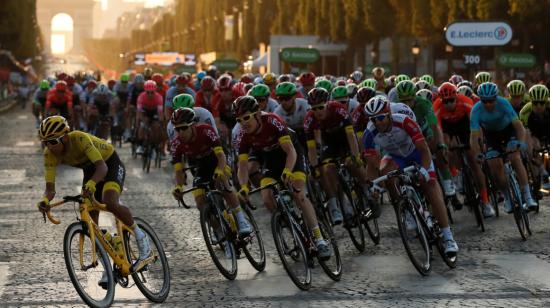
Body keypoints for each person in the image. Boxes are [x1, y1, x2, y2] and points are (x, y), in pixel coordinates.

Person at [36, 116, 152, 287]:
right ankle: (109, 266)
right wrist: (45, 199)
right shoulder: (49, 154)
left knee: (110, 201)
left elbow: (102, 168)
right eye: (45, 142)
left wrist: (91, 184)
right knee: (92, 227)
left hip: (108, 163)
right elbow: (50, 189)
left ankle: (142, 239)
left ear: (65, 136)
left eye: (52, 141)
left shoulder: (79, 138)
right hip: (90, 170)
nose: (49, 146)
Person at [233, 96, 331, 260]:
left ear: (257, 114)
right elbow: (242, 165)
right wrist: (243, 186)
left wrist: (287, 170)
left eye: (246, 117)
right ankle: (290, 224)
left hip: (291, 155)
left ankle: (320, 239)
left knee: (298, 193)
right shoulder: (242, 135)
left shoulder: (272, 121)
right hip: (270, 160)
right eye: (239, 119)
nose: (243, 122)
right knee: (267, 197)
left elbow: (291, 152)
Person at [362, 96, 459, 256]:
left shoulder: (404, 120)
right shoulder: (369, 133)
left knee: (431, 186)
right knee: (385, 170)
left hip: (416, 153)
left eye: (380, 118)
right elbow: (372, 163)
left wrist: (424, 170)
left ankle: (448, 237)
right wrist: (373, 185)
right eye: (373, 119)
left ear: (388, 114)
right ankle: (405, 208)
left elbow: (424, 148)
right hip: (395, 156)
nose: (377, 123)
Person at [170, 108, 252, 237]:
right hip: (202, 164)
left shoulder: (206, 131)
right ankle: (219, 231)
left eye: (183, 128)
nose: (180, 132)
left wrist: (220, 170)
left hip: (219, 158)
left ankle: (241, 220)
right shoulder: (176, 143)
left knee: (222, 180)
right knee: (200, 203)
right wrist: (179, 187)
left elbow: (220, 156)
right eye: (177, 129)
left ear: (193, 125)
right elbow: (179, 170)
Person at [469, 82, 538, 212]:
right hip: (491, 136)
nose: (488, 104)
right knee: (494, 165)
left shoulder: (504, 103)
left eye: (491, 100)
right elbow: (474, 136)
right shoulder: (476, 110)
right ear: (480, 99)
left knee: (515, 158)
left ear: (496, 97)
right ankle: (507, 196)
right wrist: (477, 153)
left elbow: (519, 127)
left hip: (508, 131)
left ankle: (528, 197)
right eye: (485, 101)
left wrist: (521, 142)